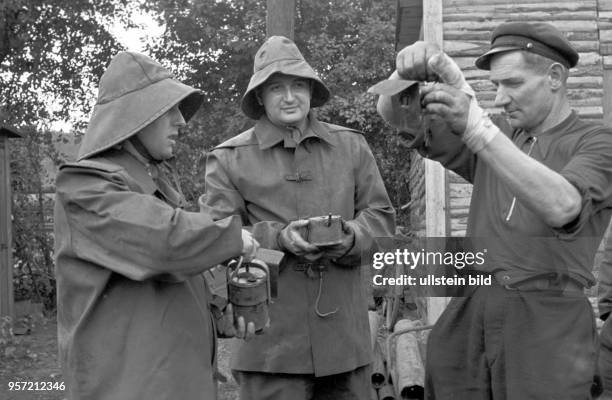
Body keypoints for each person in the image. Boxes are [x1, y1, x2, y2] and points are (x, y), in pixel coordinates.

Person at [376, 22, 612, 399]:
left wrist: (480, 130)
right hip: (472, 305)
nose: (500, 99)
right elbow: (394, 115)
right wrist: (405, 72)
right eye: (496, 86)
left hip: (545, 321)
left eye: (513, 84)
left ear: (554, 77)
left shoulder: (597, 142)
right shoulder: (496, 134)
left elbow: (563, 205)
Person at [54, 51, 260, 400]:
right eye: (169, 109)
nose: (182, 121)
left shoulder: (155, 187)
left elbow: (164, 287)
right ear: (134, 118)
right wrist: (233, 238)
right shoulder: (84, 188)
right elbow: (163, 241)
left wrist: (216, 315)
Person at [200, 36, 396, 400]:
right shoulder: (228, 158)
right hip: (270, 347)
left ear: (310, 89)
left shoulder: (351, 146)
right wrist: (279, 238)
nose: (289, 97)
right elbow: (215, 236)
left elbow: (382, 218)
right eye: (276, 88)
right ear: (260, 96)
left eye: (298, 85)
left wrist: (351, 235)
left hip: (345, 344)